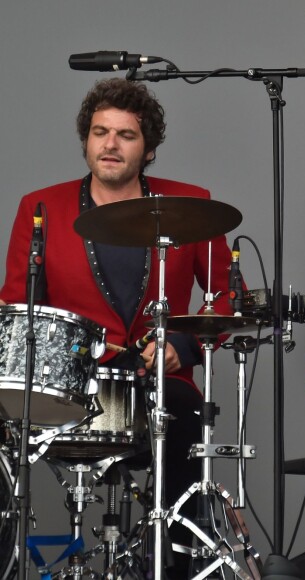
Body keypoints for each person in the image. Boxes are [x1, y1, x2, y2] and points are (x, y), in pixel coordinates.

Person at [0, 77, 235, 578]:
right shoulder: (40, 208)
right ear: (86, 139)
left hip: (158, 384)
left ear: (148, 149)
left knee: (188, 423)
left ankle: (169, 561)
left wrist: (182, 347)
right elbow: (17, 305)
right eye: (99, 132)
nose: (110, 144)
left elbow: (226, 298)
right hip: (69, 387)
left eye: (125, 135)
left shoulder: (191, 204)